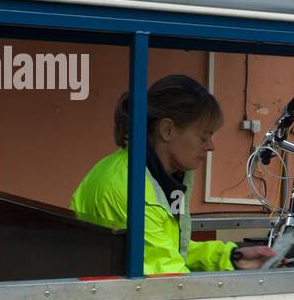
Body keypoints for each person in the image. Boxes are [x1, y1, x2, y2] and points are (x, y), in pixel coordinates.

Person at [71, 74, 275, 274]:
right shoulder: (130, 189)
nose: (211, 146)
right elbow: (170, 279)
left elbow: (169, 250)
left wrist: (232, 257)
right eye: (204, 136)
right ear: (167, 130)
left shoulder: (149, 175)